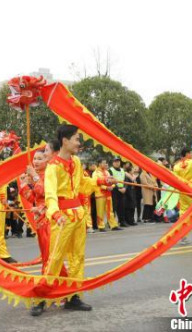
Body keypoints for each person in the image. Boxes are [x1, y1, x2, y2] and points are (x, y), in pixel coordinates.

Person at [33, 124, 118, 316]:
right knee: (55, 259)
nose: (79, 143)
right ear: (65, 141)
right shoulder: (52, 168)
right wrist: (55, 214)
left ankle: (73, 296)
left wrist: (103, 181)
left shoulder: (77, 162)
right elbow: (50, 195)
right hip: (61, 218)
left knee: (77, 258)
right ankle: (41, 297)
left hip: (78, 215)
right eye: (76, 139)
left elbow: (82, 184)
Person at [92, 159, 119, 231]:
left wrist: (112, 186)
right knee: (100, 211)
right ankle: (101, 226)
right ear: (99, 164)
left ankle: (113, 225)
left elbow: (112, 181)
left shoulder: (107, 172)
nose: (105, 164)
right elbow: (95, 184)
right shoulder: (95, 173)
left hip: (108, 194)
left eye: (105, 163)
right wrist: (106, 187)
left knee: (110, 210)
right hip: (100, 194)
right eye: (103, 163)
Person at [108, 158, 127, 227]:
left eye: (118, 161)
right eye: (115, 162)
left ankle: (122, 221)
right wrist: (118, 188)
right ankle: (112, 223)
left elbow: (125, 180)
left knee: (122, 207)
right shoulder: (110, 170)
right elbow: (111, 180)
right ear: (112, 163)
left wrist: (125, 187)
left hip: (122, 190)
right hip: (114, 191)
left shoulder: (122, 170)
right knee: (113, 207)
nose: (117, 163)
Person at [122, 162, 138, 226]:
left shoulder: (133, 176)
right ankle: (129, 220)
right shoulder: (127, 176)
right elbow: (127, 185)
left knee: (133, 207)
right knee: (128, 208)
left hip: (133, 192)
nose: (133, 171)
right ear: (129, 171)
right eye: (132, 170)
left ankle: (132, 220)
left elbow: (136, 183)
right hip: (128, 193)